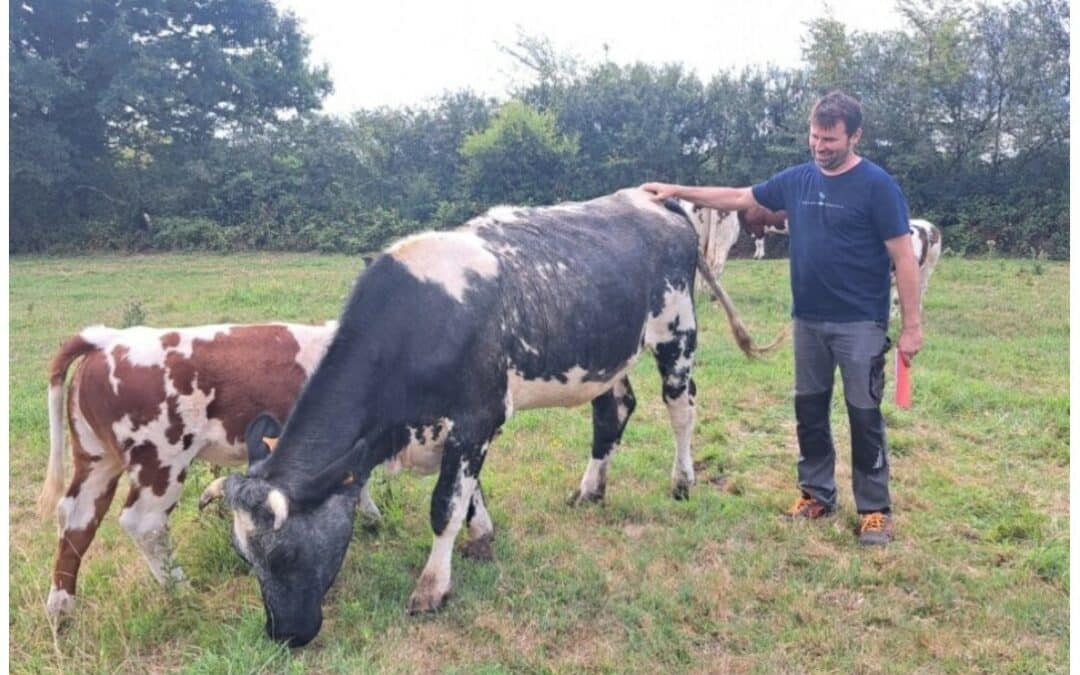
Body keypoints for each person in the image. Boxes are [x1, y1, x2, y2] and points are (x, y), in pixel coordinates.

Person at [641, 91, 923, 545]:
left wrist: (911, 326)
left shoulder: (877, 186)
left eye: (830, 139)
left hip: (860, 324)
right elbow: (736, 196)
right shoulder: (798, 180)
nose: (820, 146)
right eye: (815, 136)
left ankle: (874, 510)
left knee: (864, 414)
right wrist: (676, 190)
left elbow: (903, 258)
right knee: (809, 410)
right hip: (808, 321)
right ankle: (816, 494)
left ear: (855, 136)